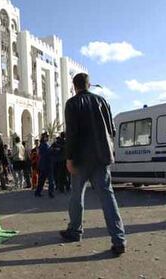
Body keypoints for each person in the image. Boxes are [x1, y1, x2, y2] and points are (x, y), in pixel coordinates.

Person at [60, 73, 126, 256]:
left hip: (81, 159)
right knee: (107, 197)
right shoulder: (102, 101)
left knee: (76, 196)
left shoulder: (72, 103)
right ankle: (119, 240)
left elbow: (72, 133)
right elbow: (111, 130)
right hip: (101, 157)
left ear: (74, 86)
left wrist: (69, 158)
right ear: (89, 85)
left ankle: (75, 231)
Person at [35, 132, 55, 198]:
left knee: (42, 180)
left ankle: (38, 192)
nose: (48, 138)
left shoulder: (44, 145)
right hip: (47, 164)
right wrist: (53, 149)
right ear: (44, 138)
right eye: (47, 137)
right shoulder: (44, 145)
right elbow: (48, 153)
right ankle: (50, 193)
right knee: (50, 180)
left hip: (44, 164)